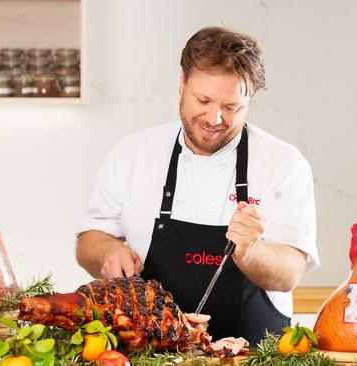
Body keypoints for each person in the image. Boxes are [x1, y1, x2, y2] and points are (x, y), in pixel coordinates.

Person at [76, 26, 319, 346]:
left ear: (250, 100)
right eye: (203, 100)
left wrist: (251, 250)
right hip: (151, 353)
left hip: (255, 353)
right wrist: (109, 251)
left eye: (232, 107)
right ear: (182, 84)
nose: (214, 118)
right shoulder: (135, 154)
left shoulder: (283, 163)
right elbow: (88, 242)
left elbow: (289, 274)